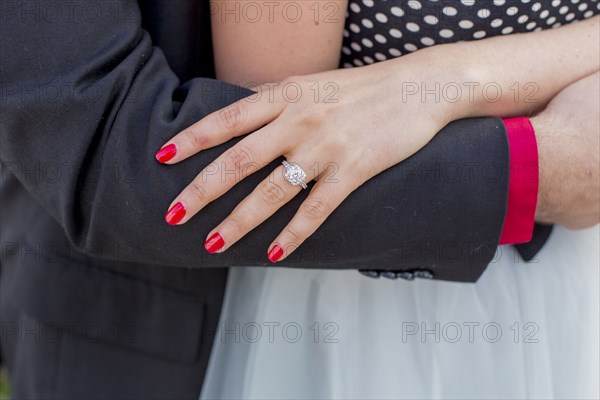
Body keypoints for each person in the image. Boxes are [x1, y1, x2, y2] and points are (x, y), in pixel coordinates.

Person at [0, 1, 596, 399]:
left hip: (562, 284)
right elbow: (117, 149)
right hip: (270, 313)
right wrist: (530, 167)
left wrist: (459, 76)